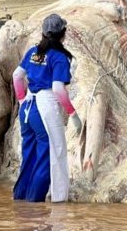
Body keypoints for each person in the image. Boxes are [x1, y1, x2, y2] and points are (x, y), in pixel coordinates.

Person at [11, 14, 83, 202]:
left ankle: (20, 202)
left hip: (27, 109)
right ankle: (36, 205)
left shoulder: (33, 52)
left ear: (43, 33)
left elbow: (17, 77)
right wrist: (73, 114)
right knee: (49, 156)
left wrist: (22, 100)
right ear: (63, 34)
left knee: (29, 156)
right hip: (45, 109)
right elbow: (58, 89)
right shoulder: (59, 57)